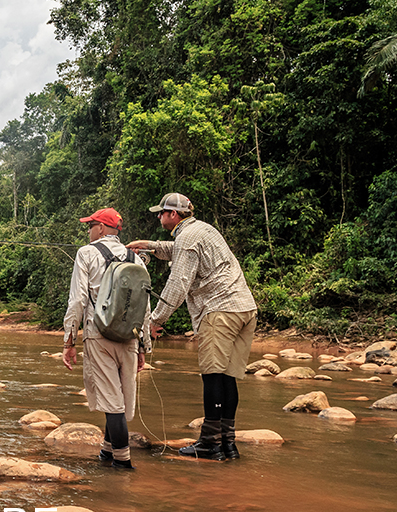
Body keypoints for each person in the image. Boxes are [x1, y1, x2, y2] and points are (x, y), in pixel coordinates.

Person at [127, 193, 257, 461]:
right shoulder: (203, 229)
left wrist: (154, 321)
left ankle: (210, 443)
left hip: (219, 310)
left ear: (173, 215)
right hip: (244, 308)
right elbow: (177, 250)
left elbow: (178, 284)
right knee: (227, 377)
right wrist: (149, 246)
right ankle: (228, 444)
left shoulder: (187, 238)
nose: (159, 217)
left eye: (161, 213)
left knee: (212, 375)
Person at [63, 207, 151, 470]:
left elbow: (77, 300)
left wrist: (69, 341)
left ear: (101, 227)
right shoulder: (138, 260)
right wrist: (144, 346)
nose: (88, 230)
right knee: (121, 401)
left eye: (90, 225)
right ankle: (106, 452)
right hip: (130, 338)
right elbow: (144, 308)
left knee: (112, 403)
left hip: (98, 335)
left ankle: (123, 463)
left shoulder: (86, 253)